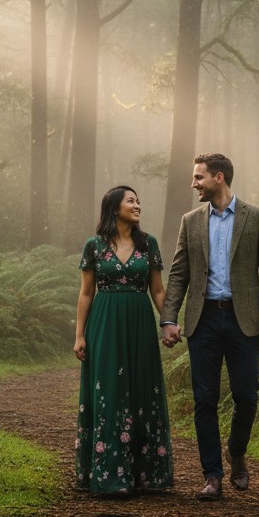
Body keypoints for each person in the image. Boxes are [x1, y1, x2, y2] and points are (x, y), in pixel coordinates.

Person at [161, 153, 259, 501]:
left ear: (218, 177)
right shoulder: (191, 220)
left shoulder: (256, 218)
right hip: (204, 319)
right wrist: (169, 318)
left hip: (243, 319)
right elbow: (179, 272)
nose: (193, 184)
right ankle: (212, 476)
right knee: (205, 399)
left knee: (247, 395)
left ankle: (236, 451)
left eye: (198, 177)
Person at [74, 185, 175, 497]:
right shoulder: (94, 246)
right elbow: (87, 292)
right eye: (131, 201)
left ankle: (147, 476)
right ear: (114, 207)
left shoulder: (148, 244)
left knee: (142, 388)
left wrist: (168, 321)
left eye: (139, 201)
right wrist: (79, 334)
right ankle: (109, 475)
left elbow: (158, 289)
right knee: (110, 389)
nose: (137, 205)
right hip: (104, 322)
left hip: (140, 322)